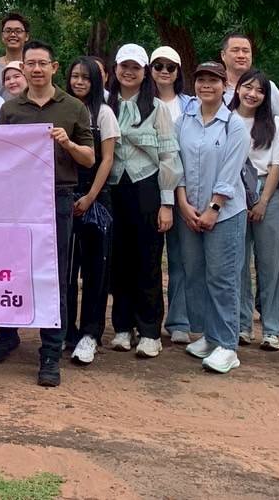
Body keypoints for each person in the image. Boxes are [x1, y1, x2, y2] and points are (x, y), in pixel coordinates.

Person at [0, 40, 95, 387]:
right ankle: (7, 333)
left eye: (42, 63)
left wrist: (68, 144)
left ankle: (50, 349)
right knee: (13, 268)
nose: (35, 69)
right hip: (18, 198)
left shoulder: (74, 108)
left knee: (55, 273)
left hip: (57, 196)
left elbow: (90, 158)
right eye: (29, 63)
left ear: (53, 67)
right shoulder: (11, 109)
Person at [172, 61, 250, 374]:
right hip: (189, 210)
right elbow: (174, 161)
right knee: (195, 274)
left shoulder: (234, 124)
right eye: (201, 80)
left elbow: (230, 173)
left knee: (223, 277)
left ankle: (228, 345)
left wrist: (213, 208)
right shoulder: (184, 121)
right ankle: (211, 335)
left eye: (213, 81)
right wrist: (181, 201)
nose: (207, 86)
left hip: (225, 213)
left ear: (224, 86)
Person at [105, 43, 181, 358]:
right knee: (118, 260)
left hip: (146, 186)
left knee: (148, 261)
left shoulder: (157, 108)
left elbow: (168, 156)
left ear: (144, 71)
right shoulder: (105, 105)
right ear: (116, 69)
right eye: (124, 66)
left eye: (136, 67)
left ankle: (150, 330)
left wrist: (166, 203)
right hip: (113, 188)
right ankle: (122, 327)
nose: (129, 72)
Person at [65, 56, 118, 365]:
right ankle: (67, 331)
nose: (80, 82)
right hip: (66, 197)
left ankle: (90, 335)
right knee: (67, 270)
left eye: (86, 77)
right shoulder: (66, 110)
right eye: (75, 76)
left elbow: (107, 159)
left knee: (96, 271)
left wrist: (90, 197)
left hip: (97, 198)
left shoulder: (105, 113)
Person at [231, 67, 279, 350]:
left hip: (267, 190)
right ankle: (241, 325)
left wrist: (264, 201)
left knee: (271, 262)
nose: (253, 94)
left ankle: (272, 327)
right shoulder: (226, 119)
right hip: (233, 192)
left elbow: (277, 163)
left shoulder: (274, 123)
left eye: (260, 90)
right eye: (248, 87)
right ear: (238, 88)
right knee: (237, 262)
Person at [152, 44, 193, 346]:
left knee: (181, 258)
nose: (164, 71)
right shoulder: (140, 102)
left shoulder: (190, 105)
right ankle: (148, 319)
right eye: (159, 66)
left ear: (178, 72)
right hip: (146, 188)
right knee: (149, 259)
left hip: (184, 191)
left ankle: (179, 319)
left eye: (171, 67)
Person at [220, 31, 279, 113]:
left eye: (245, 51)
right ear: (223, 55)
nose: (241, 55)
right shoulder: (213, 87)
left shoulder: (267, 87)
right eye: (235, 50)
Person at [0, 12, 30, 94]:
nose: (13, 34)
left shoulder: (33, 66)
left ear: (26, 36)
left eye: (18, 31)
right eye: (8, 31)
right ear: (2, 36)